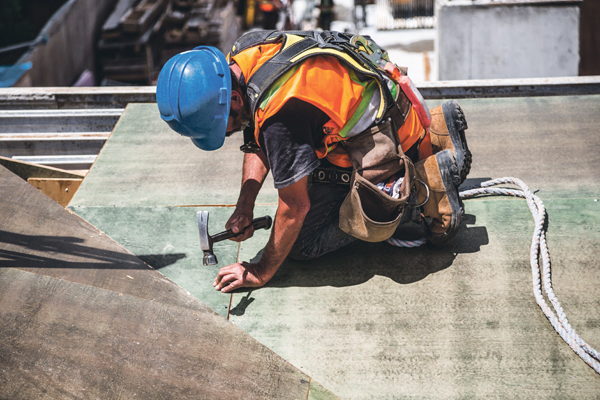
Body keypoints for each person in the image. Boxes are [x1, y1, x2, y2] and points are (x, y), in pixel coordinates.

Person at [156, 30, 471, 293]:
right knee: (297, 172)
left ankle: (423, 188)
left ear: (234, 99)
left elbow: (294, 208)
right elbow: (256, 135)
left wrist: (260, 270)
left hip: (387, 142)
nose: (223, 136)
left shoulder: (282, 114)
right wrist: (245, 205)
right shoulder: (247, 52)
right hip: (392, 110)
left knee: (303, 244)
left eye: (219, 127)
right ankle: (438, 132)